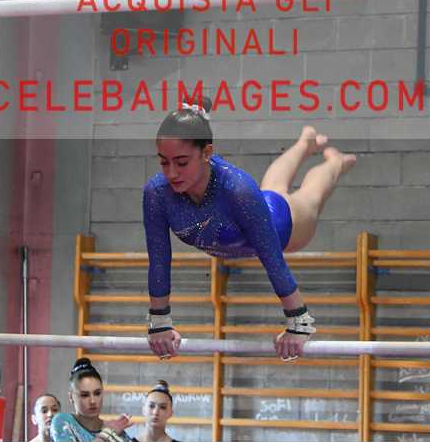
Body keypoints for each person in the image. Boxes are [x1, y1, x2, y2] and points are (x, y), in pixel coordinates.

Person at [143, 102, 356, 361]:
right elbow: (159, 259)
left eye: (181, 162)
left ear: (206, 152)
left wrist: (298, 322)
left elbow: (272, 258)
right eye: (164, 162)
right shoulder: (157, 193)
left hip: (283, 226)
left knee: (311, 195)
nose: (171, 173)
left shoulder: (237, 187)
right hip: (255, 207)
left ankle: (335, 162)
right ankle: (304, 143)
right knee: (273, 186)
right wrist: (159, 322)